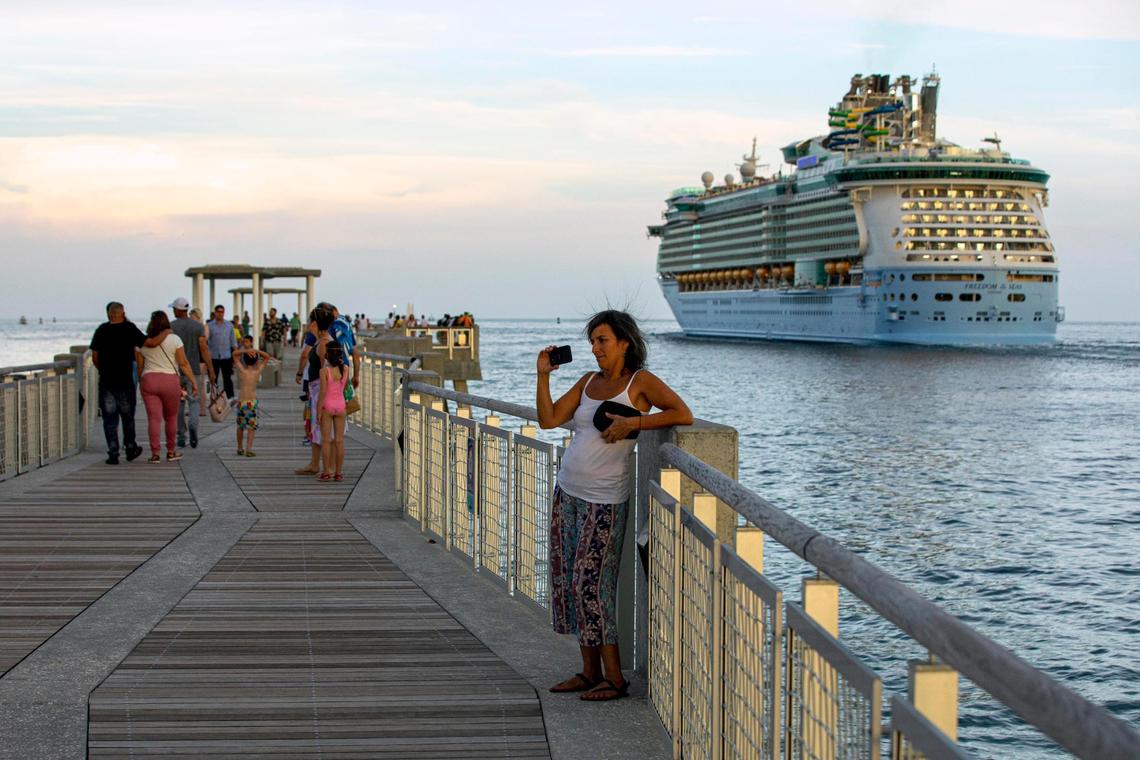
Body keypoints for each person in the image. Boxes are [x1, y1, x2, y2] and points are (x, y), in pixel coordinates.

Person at [536, 310, 692, 702]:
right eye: (592, 342)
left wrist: (635, 424)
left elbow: (681, 413)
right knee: (569, 584)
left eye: (602, 340)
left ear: (624, 341)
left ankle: (614, 678)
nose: (595, 348)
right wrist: (542, 376)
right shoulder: (588, 381)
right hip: (567, 493)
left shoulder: (641, 383)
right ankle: (589, 672)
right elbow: (549, 419)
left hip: (605, 501)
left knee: (592, 585)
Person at [89, 302, 147, 464]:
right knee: (128, 417)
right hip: (125, 380)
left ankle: (113, 453)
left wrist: (102, 369)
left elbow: (94, 355)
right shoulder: (129, 328)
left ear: (109, 314)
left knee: (109, 419)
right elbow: (146, 343)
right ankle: (130, 447)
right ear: (122, 313)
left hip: (107, 380)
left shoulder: (101, 330)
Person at [137, 310, 199, 463]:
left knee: (153, 419)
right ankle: (171, 451)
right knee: (171, 418)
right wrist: (193, 381)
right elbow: (183, 363)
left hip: (149, 380)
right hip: (170, 381)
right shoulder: (174, 339)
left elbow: (140, 366)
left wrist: (142, 382)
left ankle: (155, 453)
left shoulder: (143, 342)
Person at [169, 298, 214, 448]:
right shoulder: (197, 326)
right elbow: (204, 348)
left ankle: (182, 435)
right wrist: (211, 369)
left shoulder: (171, 327)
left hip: (175, 371)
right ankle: (193, 426)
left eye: (174, 309)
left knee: (179, 404)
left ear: (177, 310)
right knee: (194, 401)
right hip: (193, 370)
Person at [295, 308, 334, 475]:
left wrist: (322, 399)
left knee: (325, 429)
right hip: (315, 388)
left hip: (322, 390)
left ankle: (329, 468)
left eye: (310, 320)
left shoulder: (324, 343)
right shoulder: (320, 341)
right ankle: (314, 463)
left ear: (315, 323)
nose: (308, 323)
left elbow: (328, 370)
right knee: (316, 427)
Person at [232, 335, 271, 457]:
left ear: (244, 360)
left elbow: (234, 354)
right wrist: (256, 351)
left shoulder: (241, 371)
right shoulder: (257, 371)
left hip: (242, 402)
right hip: (252, 402)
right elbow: (267, 357)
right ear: (256, 361)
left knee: (240, 426)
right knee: (251, 427)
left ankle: (239, 448)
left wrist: (245, 350)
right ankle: (248, 449)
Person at [317, 343, 350, 481]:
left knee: (326, 441)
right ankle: (338, 473)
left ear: (327, 355)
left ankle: (326, 473)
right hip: (341, 405)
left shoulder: (324, 371)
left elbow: (323, 392)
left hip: (328, 405)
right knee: (339, 441)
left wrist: (318, 411)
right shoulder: (346, 369)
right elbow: (344, 388)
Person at [207, 305, 238, 399]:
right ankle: (213, 396)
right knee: (213, 378)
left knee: (227, 378)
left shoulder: (229, 325)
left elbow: (233, 341)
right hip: (214, 356)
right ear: (215, 313)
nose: (220, 314)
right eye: (218, 312)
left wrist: (236, 358)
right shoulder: (209, 325)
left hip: (226, 356)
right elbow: (206, 342)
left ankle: (230, 396)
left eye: (222, 312)